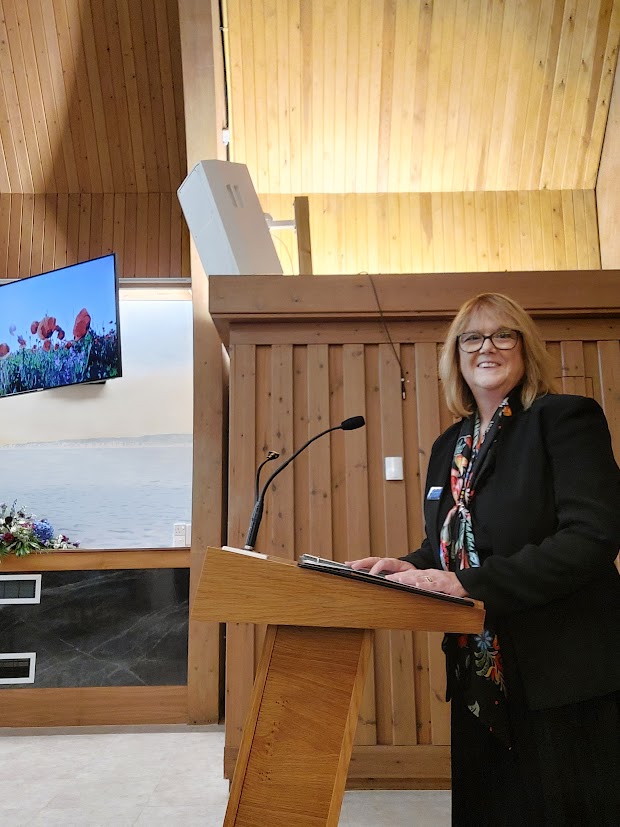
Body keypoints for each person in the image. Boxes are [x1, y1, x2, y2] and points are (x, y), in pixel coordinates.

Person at [348, 292, 620, 827]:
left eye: (503, 334)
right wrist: (409, 567)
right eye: (472, 338)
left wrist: (467, 584)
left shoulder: (563, 419)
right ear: (455, 356)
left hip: (564, 671)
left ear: (524, 348)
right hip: (479, 672)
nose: (486, 347)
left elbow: (593, 537)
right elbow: (451, 547)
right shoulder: (451, 445)